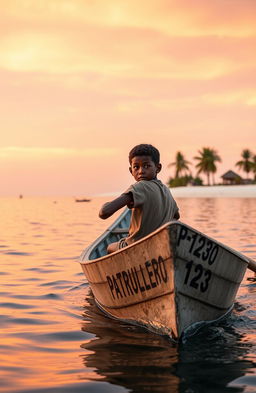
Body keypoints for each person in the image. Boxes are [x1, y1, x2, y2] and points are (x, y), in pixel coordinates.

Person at [99, 144, 180, 253]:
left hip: (135, 246)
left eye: (146, 166)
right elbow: (176, 216)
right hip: (160, 247)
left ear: (158, 168)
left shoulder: (140, 187)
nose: (141, 171)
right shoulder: (166, 190)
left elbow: (104, 213)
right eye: (136, 167)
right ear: (131, 170)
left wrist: (105, 205)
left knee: (109, 247)